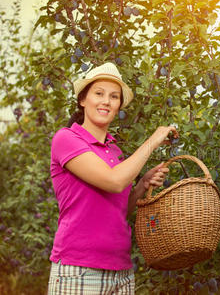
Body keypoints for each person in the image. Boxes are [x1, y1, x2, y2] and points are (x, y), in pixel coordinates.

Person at [47, 62, 178, 294]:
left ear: (118, 106)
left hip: (121, 270)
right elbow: (114, 181)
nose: (106, 101)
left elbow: (119, 210)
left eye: (114, 96)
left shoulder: (115, 152)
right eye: (99, 93)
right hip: (80, 269)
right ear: (82, 100)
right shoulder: (66, 139)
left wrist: (142, 185)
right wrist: (153, 140)